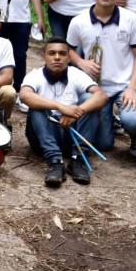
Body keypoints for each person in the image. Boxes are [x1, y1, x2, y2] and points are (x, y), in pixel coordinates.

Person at [66, 0, 136, 153]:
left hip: (124, 85)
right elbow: (68, 50)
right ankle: (110, 121)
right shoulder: (79, 21)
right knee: (104, 145)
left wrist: (132, 88)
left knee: (132, 122)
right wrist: (81, 62)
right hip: (96, 88)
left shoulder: (130, 18)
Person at [20, 37, 108, 187]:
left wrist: (77, 112)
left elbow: (101, 95)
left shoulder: (76, 74)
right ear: (44, 56)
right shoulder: (35, 75)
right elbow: (25, 95)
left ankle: (78, 160)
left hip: (71, 136)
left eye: (62, 53)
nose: (57, 57)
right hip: (43, 138)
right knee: (37, 107)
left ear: (68, 57)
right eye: (52, 53)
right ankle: (55, 163)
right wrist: (61, 107)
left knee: (90, 99)